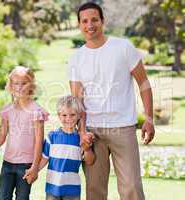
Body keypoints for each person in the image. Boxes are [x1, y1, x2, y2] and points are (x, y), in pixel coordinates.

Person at [67, 2, 155, 200]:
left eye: (94, 20)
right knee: (94, 190)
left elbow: (143, 83)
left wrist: (149, 118)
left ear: (103, 21)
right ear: (80, 25)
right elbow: (76, 100)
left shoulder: (123, 47)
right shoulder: (76, 58)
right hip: (92, 131)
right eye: (85, 21)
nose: (90, 25)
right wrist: (82, 132)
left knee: (131, 187)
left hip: (122, 127)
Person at [0, 66, 49, 200]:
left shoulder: (36, 111)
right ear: (10, 86)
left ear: (31, 86)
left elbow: (38, 142)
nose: (19, 87)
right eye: (16, 83)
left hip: (26, 166)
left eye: (24, 83)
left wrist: (35, 167)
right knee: (2, 197)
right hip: (7, 164)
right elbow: (1, 136)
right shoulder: (7, 110)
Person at [39, 95, 95, 200]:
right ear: (59, 115)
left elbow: (90, 161)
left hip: (72, 190)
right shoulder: (52, 137)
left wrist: (87, 149)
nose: (68, 119)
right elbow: (44, 158)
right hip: (52, 188)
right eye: (64, 115)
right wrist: (34, 171)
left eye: (72, 115)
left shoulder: (81, 139)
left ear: (78, 115)